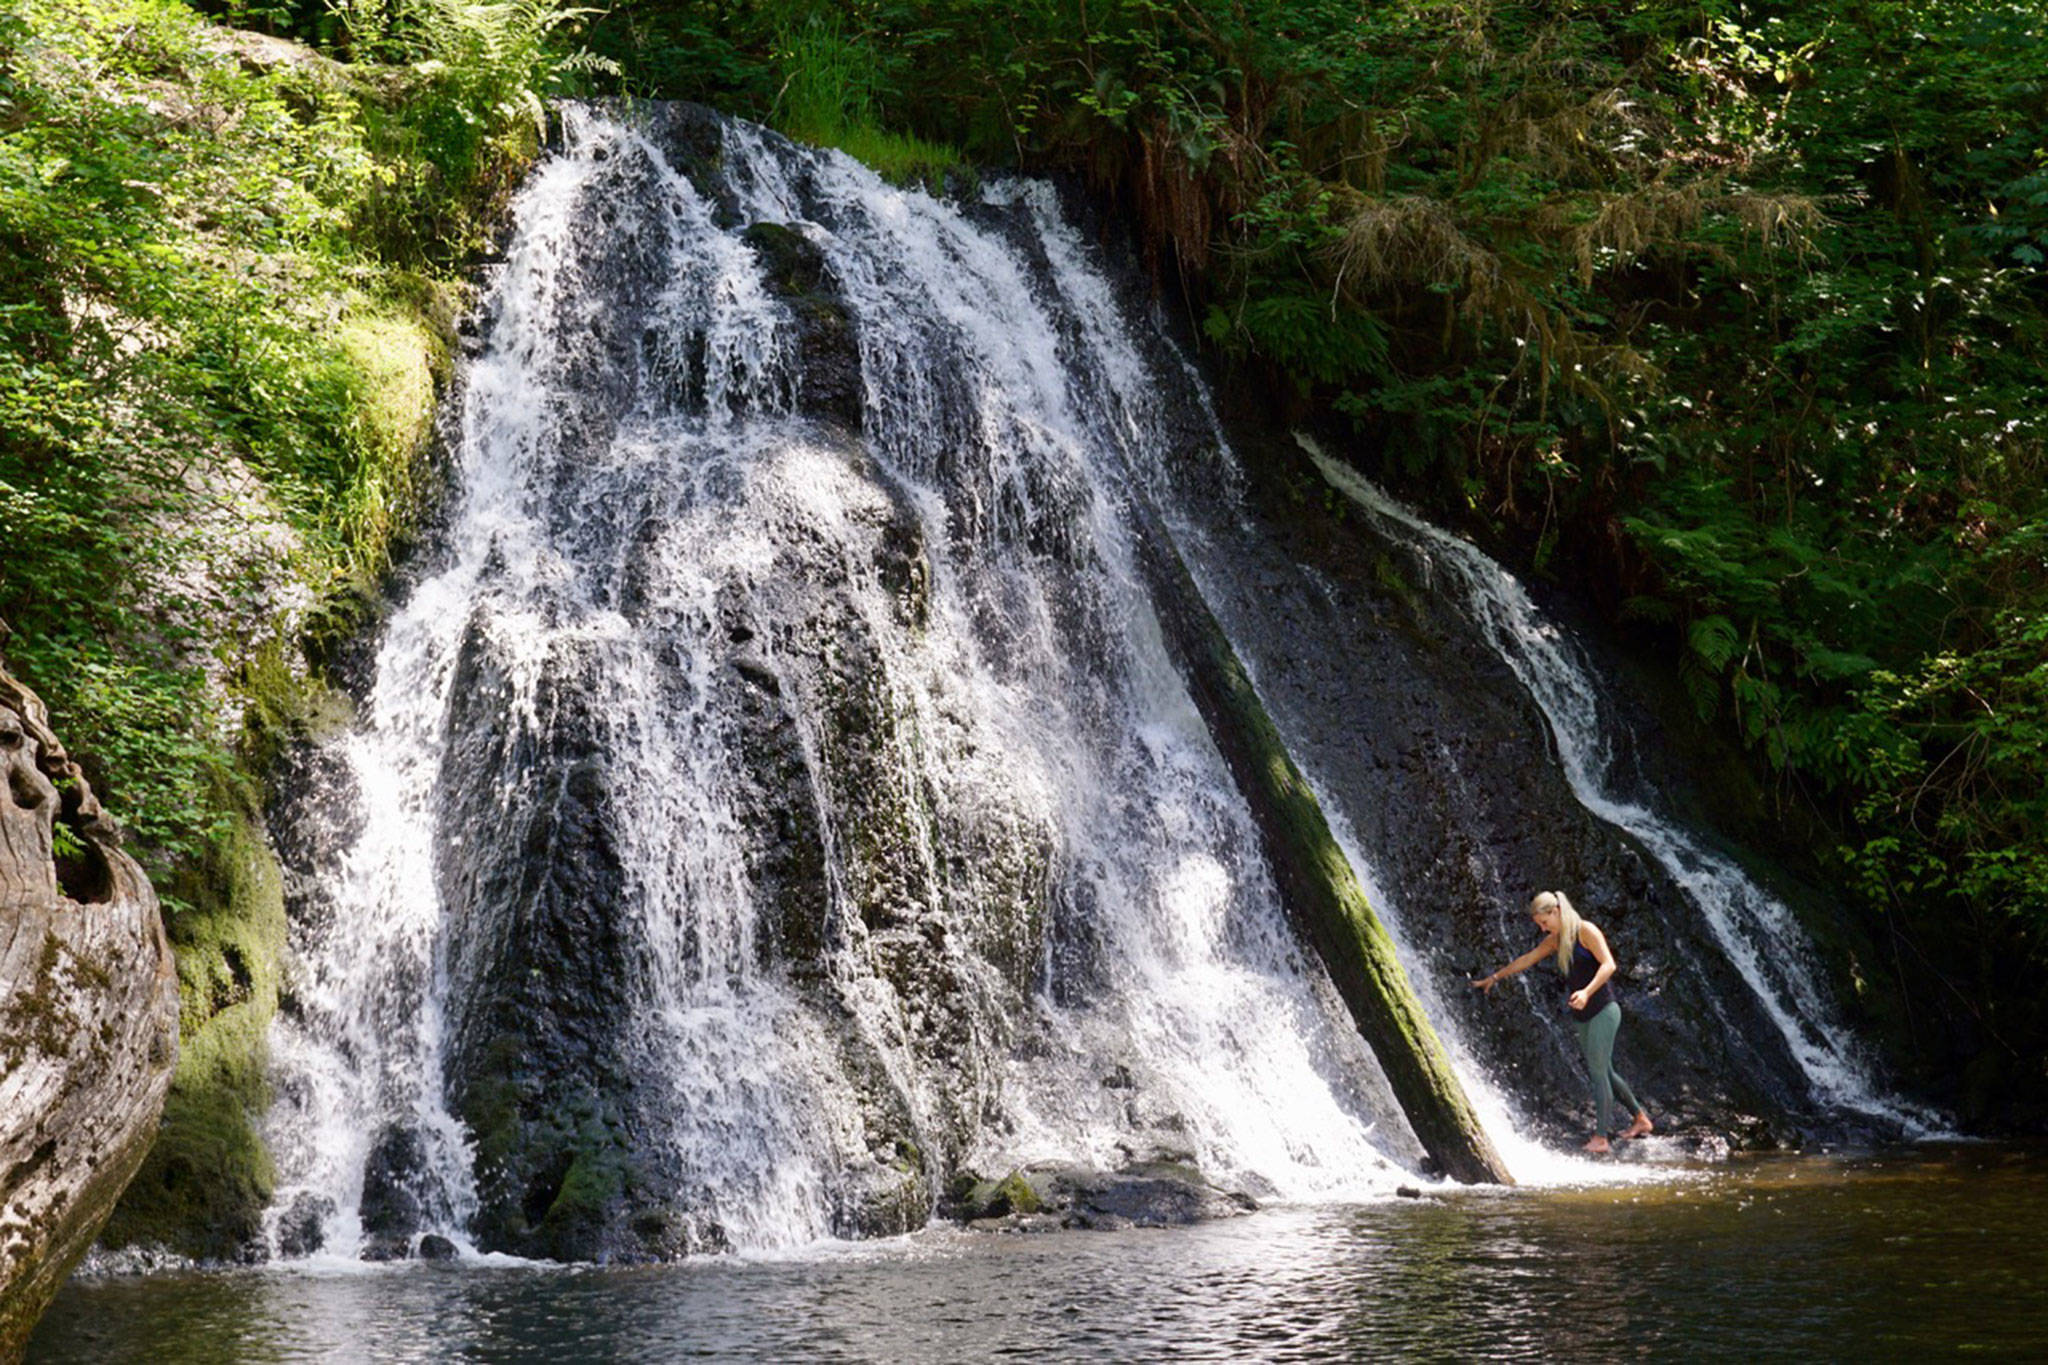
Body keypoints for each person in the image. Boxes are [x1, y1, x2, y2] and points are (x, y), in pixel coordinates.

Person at [1472, 889, 1653, 1153]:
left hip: (1603, 1008)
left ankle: (1601, 1138)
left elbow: (1609, 965)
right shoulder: (1556, 940)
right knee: (1606, 1070)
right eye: (1540, 926)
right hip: (1582, 1014)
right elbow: (1527, 959)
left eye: (1545, 923)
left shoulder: (1585, 930)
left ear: (1555, 911)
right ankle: (1640, 1119)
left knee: (1597, 1071)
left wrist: (1586, 992)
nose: (1544, 929)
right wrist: (1495, 977)